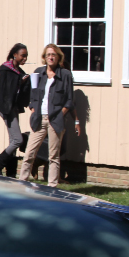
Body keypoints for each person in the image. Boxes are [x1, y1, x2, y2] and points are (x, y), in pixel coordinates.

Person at [18, 44, 79, 189]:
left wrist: (61, 114)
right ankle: (21, 183)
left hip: (55, 120)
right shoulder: (38, 73)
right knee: (29, 153)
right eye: (48, 55)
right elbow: (33, 94)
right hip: (39, 118)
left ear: (58, 57)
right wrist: (33, 108)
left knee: (53, 156)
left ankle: (52, 186)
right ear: (44, 57)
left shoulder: (65, 75)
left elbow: (69, 99)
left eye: (53, 55)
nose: (50, 57)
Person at [0, 43, 31, 176]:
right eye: (22, 56)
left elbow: (18, 90)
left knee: (12, 140)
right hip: (6, 108)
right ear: (15, 55)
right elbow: (0, 90)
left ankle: (11, 173)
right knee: (18, 140)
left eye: (26, 56)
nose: (25, 58)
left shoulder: (19, 72)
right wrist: (3, 107)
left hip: (13, 108)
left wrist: (24, 82)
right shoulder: (6, 70)